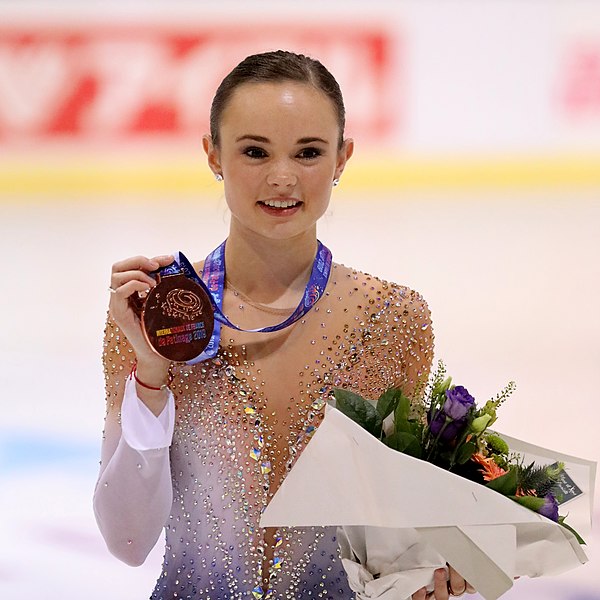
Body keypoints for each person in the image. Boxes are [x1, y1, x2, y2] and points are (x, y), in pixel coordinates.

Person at [94, 50, 474, 600]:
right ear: (213, 154)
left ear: (342, 158)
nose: (282, 177)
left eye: (308, 152)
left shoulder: (392, 320)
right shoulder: (157, 315)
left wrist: (436, 570)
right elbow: (127, 542)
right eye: (254, 151)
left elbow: (392, 538)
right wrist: (150, 376)